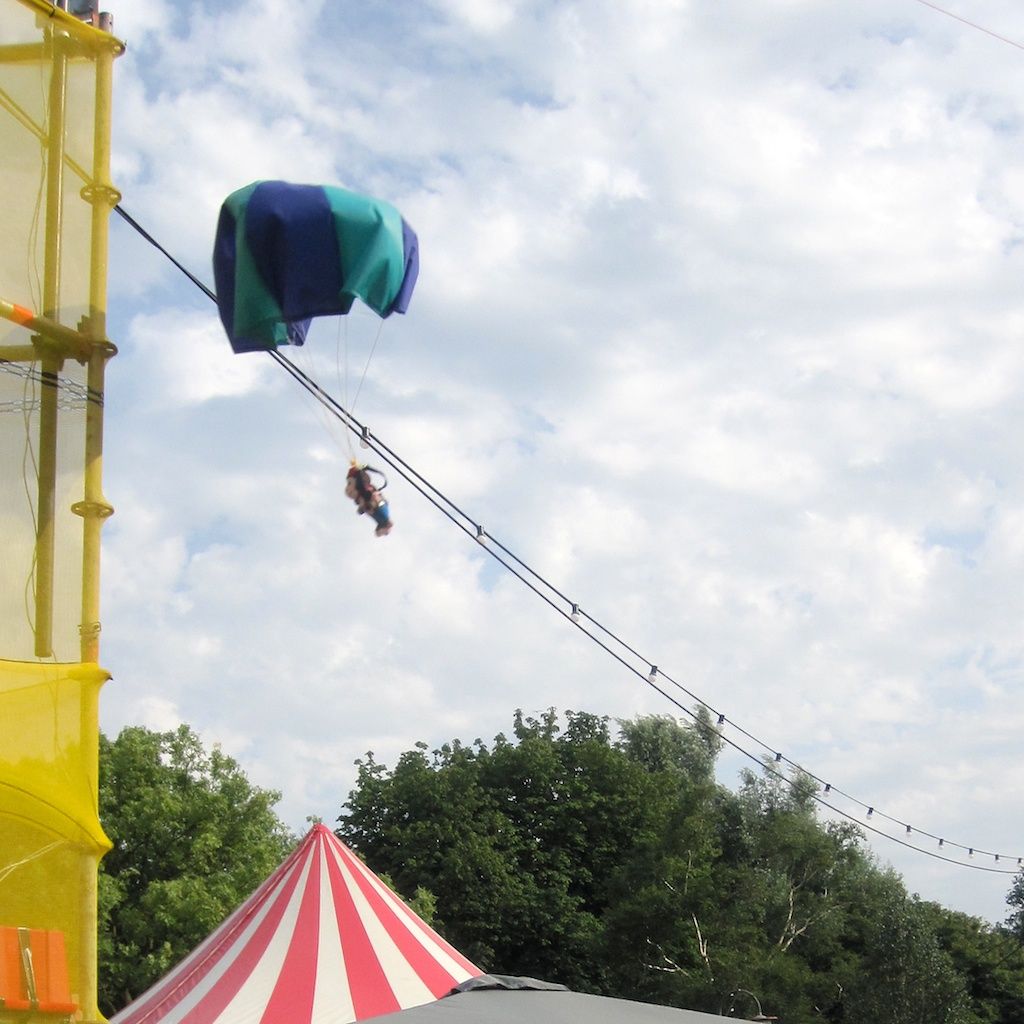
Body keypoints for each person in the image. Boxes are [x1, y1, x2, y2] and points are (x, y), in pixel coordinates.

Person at [345, 464, 393, 536]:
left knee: (363, 496)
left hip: (370, 498)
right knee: (364, 494)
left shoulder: (381, 518)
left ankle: (359, 472)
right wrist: (373, 499)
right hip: (370, 497)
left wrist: (363, 507)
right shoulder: (383, 516)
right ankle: (359, 471)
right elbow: (380, 503)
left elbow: (375, 506)